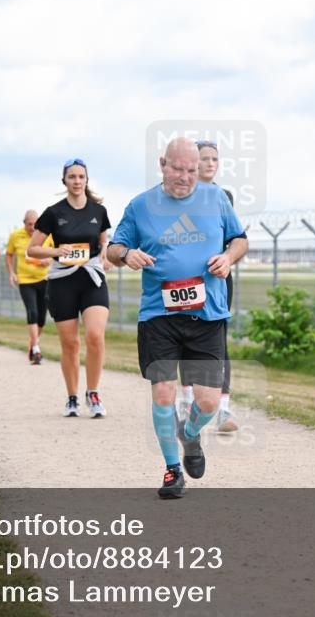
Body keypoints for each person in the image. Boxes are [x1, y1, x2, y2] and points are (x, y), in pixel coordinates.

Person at [106, 138, 248, 499]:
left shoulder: (215, 198)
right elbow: (114, 248)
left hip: (206, 314)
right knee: (164, 392)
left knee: (208, 403)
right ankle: (172, 471)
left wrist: (229, 258)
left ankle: (189, 432)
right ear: (162, 164)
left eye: (191, 170)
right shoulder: (140, 206)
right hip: (159, 315)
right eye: (177, 169)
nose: (184, 177)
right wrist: (127, 255)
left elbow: (240, 240)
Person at [27, 158, 111, 418]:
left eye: (81, 177)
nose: (77, 181)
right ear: (64, 180)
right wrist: (55, 250)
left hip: (91, 277)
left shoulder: (98, 211)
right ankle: (72, 397)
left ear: (87, 180)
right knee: (70, 343)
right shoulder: (53, 212)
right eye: (72, 177)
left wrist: (105, 257)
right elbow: (32, 248)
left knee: (95, 336)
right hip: (62, 280)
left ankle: (93, 393)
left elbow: (103, 239)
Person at [184, 140, 239, 432]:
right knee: (184, 335)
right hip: (185, 279)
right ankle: (186, 399)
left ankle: (224, 410)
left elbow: (233, 236)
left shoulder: (223, 196)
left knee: (219, 339)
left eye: (214, 159)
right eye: (204, 158)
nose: (209, 164)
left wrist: (227, 257)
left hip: (217, 278)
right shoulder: (178, 196)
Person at [6, 210, 53, 364]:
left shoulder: (47, 234)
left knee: (41, 317)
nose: (32, 227)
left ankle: (33, 345)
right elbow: (9, 254)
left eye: (35, 224)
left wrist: (49, 258)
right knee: (32, 311)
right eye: (29, 224)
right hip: (25, 280)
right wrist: (12, 273)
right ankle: (36, 349)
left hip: (44, 279)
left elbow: (57, 251)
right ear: (24, 223)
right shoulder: (16, 236)